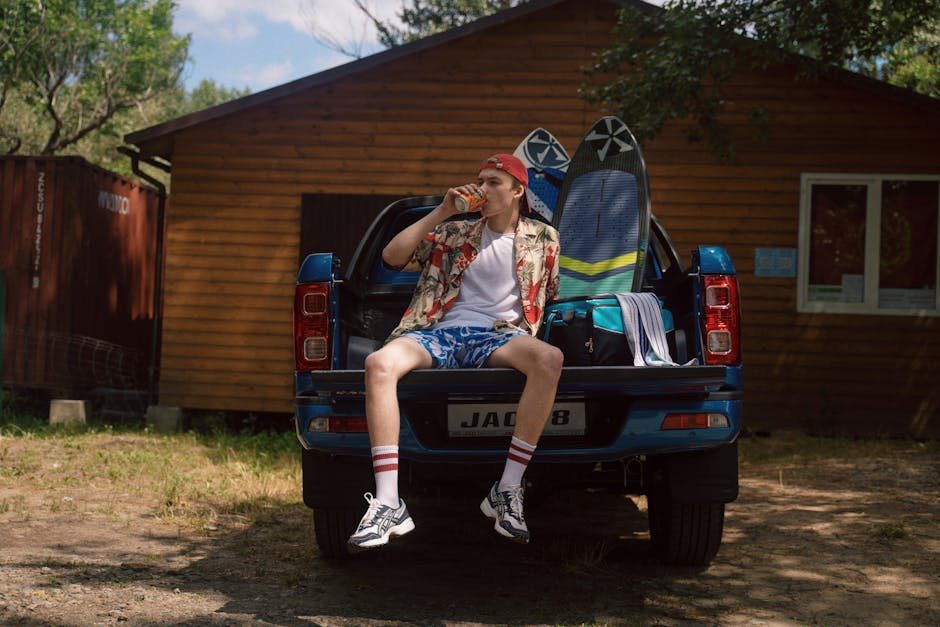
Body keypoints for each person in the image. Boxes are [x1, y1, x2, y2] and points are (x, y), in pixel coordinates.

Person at [347, 153, 563, 551]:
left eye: (494, 182)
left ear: (518, 190)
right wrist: (443, 210)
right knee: (378, 363)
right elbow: (392, 258)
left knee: (550, 358)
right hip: (437, 332)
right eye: (480, 180)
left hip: (498, 336)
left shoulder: (543, 237)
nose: (483, 187)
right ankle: (389, 503)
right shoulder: (454, 232)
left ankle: (508, 489)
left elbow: (550, 295)